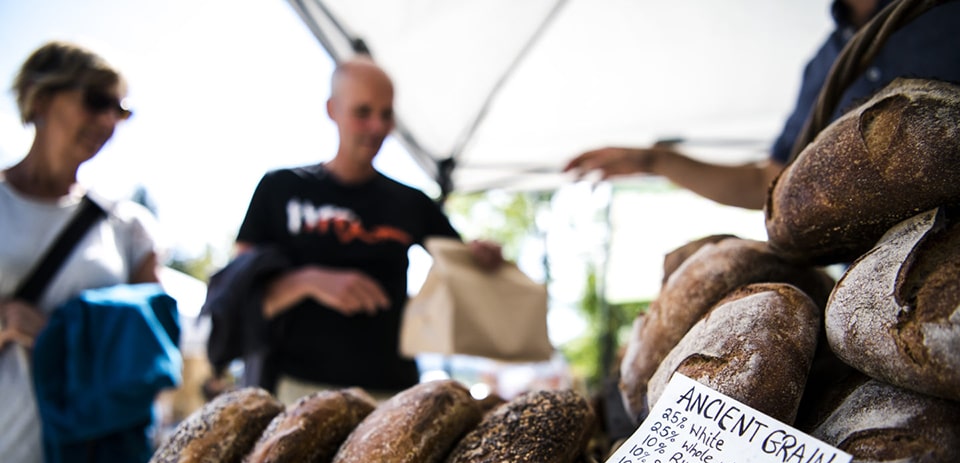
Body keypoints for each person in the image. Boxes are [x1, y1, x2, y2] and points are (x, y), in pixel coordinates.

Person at [0, 41, 162, 463]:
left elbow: (154, 347)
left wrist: (60, 334)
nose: (107, 122)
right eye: (96, 102)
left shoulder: (128, 227)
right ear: (40, 98)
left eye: (120, 111)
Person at [233, 56, 502, 405]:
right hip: (299, 390)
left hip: (390, 395)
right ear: (333, 109)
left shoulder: (412, 203)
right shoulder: (280, 188)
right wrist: (309, 281)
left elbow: (464, 266)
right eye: (363, 111)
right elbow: (237, 294)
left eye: (386, 114)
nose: (376, 126)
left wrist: (483, 254)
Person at [563, 0, 960, 210]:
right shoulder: (823, 68)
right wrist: (656, 162)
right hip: (882, 292)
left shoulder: (944, 13)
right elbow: (770, 184)